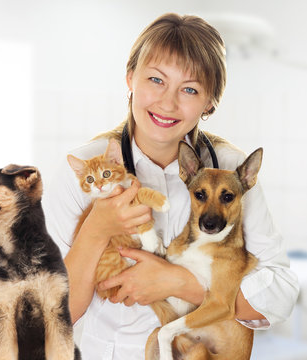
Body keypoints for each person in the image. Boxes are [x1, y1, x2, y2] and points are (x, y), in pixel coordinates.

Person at [43, 13, 299, 360]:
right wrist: (97, 229)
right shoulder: (84, 169)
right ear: (130, 76)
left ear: (210, 101)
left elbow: (282, 292)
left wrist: (180, 282)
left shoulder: (228, 170)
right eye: (156, 79)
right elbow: (54, 316)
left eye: (190, 89)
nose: (168, 102)